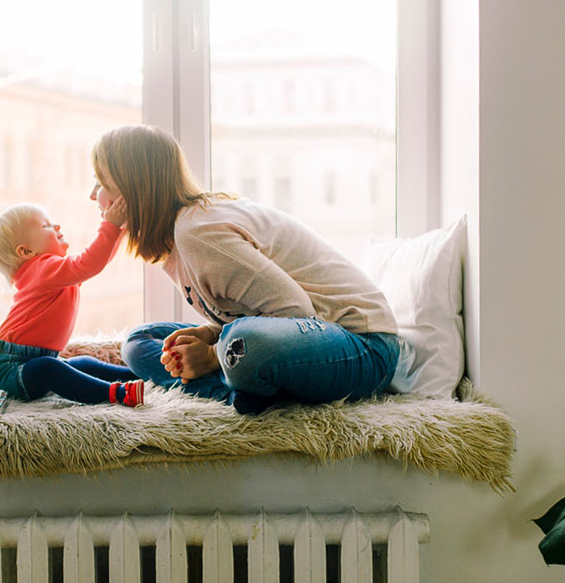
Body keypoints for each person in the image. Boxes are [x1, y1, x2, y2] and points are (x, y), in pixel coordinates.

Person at [89, 124, 399, 414]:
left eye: (102, 183)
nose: (94, 195)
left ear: (135, 190)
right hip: (299, 338)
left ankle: (235, 382)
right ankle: (237, 393)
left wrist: (212, 355)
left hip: (363, 346)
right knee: (139, 341)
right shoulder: (177, 240)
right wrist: (212, 335)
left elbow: (297, 312)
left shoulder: (198, 232)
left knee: (244, 345)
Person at [0, 200, 144, 407]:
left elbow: (95, 263)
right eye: (45, 226)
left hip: (30, 361)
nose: (56, 226)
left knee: (83, 363)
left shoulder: (51, 272)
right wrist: (111, 226)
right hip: (7, 370)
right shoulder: (42, 270)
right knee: (48, 369)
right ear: (26, 251)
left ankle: (139, 376)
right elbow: (90, 263)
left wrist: (119, 230)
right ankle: (117, 393)